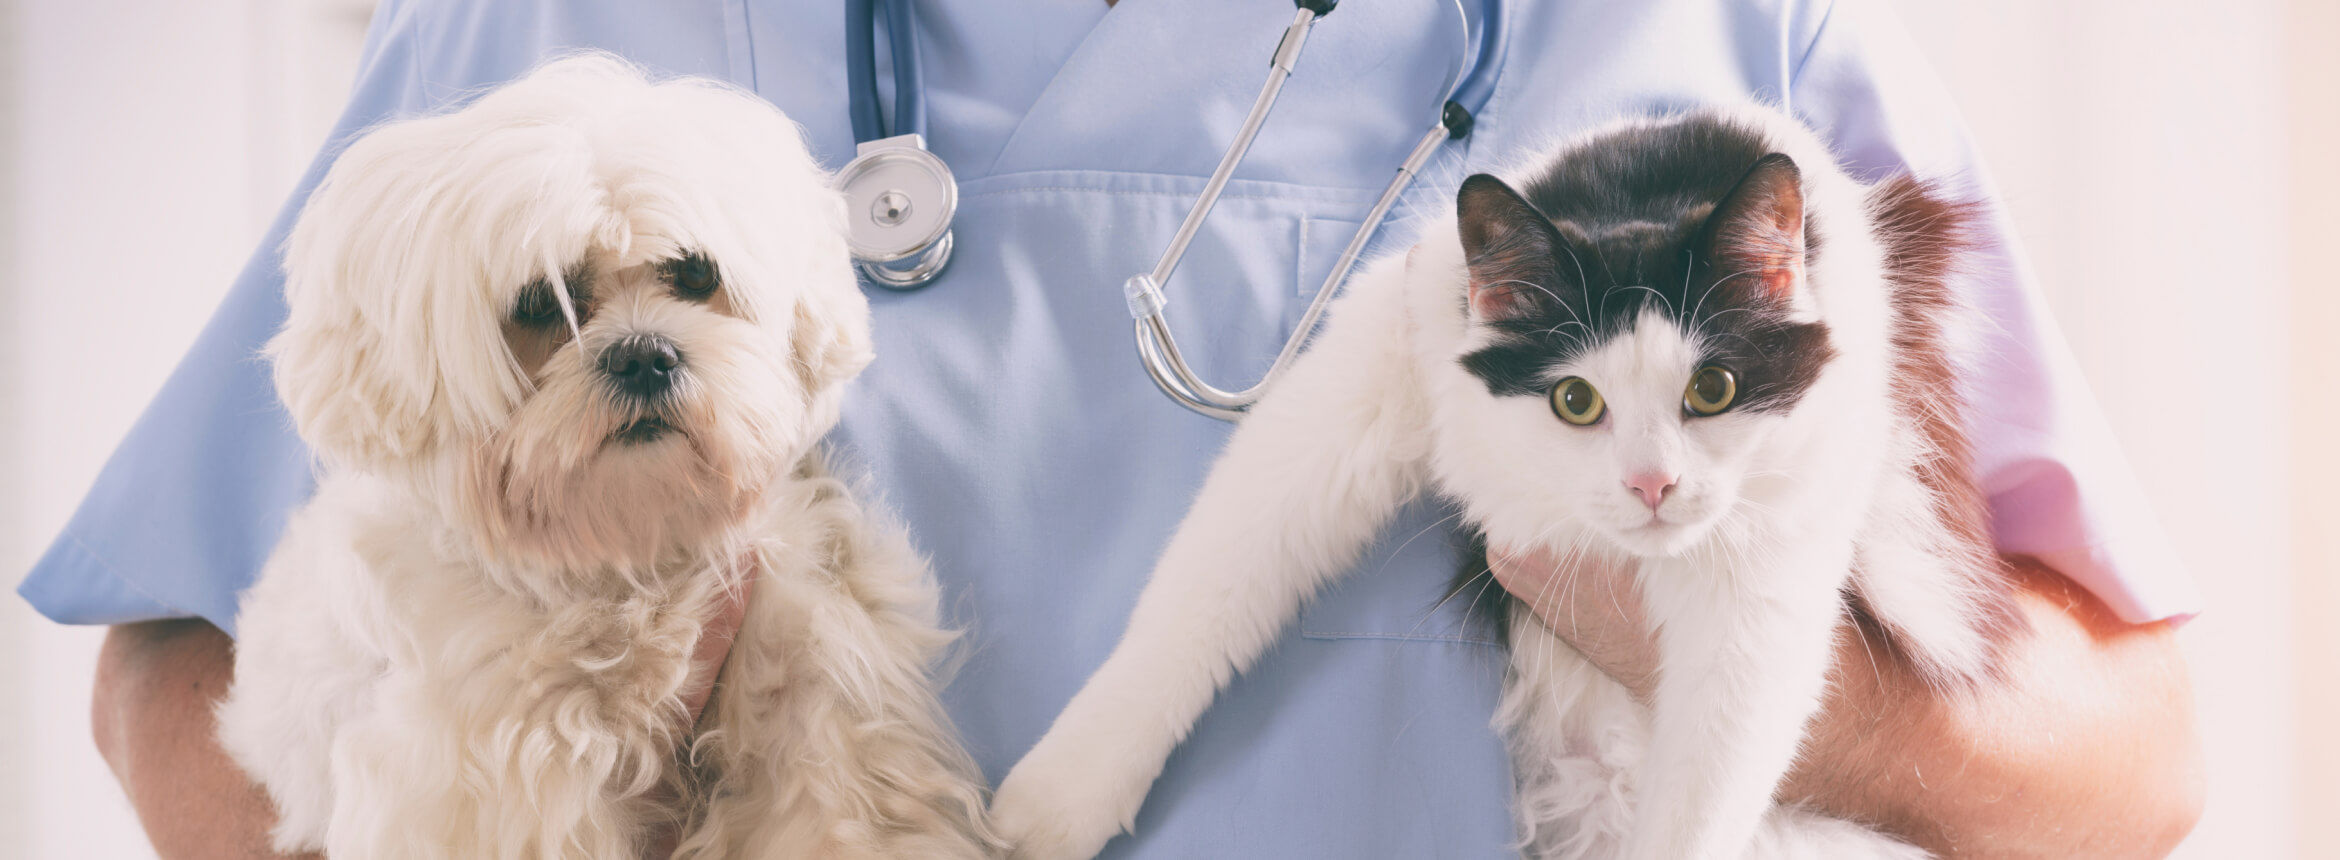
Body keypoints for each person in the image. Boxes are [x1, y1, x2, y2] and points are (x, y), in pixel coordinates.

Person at [23, 0, 2205, 856]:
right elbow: (171, 667)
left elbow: (2131, 761)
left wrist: (1739, 674)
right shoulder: (563, 40)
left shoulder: (1702, 27)